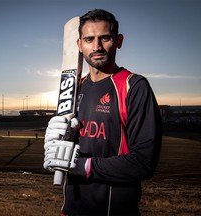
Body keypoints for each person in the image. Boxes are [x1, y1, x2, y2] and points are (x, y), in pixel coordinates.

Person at [43, 9, 162, 216]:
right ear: (79, 45)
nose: (96, 46)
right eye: (89, 39)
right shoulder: (73, 90)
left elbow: (144, 162)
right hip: (70, 210)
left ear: (119, 41)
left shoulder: (133, 86)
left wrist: (82, 165)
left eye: (105, 38)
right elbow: (67, 150)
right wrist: (56, 143)